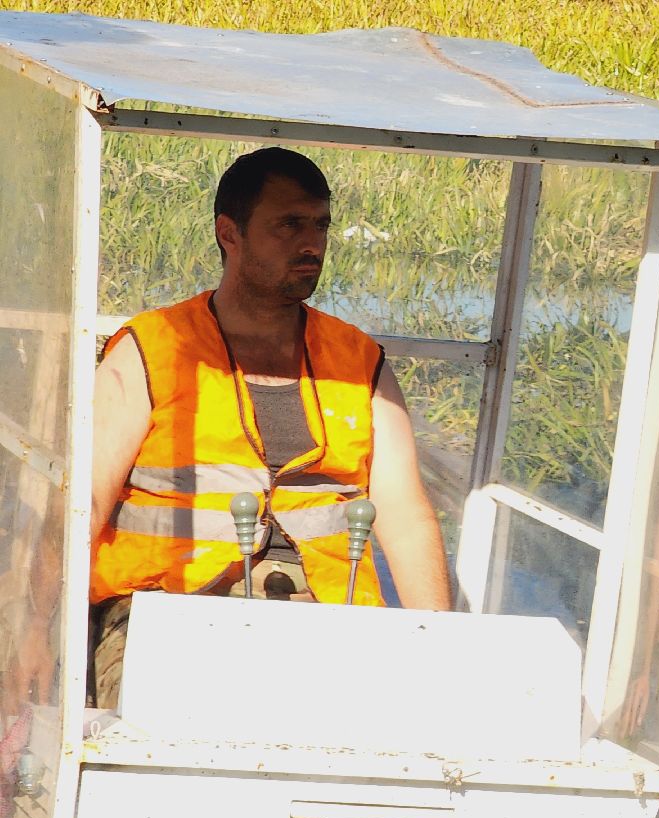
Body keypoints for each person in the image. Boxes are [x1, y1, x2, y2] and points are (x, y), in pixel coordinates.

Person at [87, 147, 450, 703]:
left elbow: (403, 512)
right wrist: (34, 636)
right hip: (161, 614)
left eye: (320, 226)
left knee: (382, 732)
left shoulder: (358, 360)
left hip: (329, 618)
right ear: (228, 234)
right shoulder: (149, 350)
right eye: (289, 225)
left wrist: (439, 647)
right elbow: (81, 504)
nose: (312, 245)